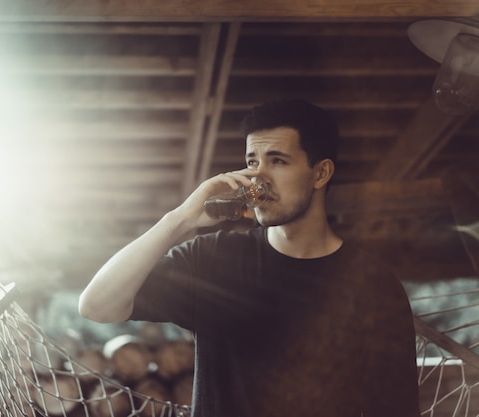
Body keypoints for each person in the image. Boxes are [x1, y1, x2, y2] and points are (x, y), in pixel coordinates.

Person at [79, 99, 421, 417]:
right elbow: (97, 305)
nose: (259, 177)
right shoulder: (213, 260)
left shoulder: (373, 286)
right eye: (252, 162)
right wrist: (180, 218)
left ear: (320, 173)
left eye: (278, 161)